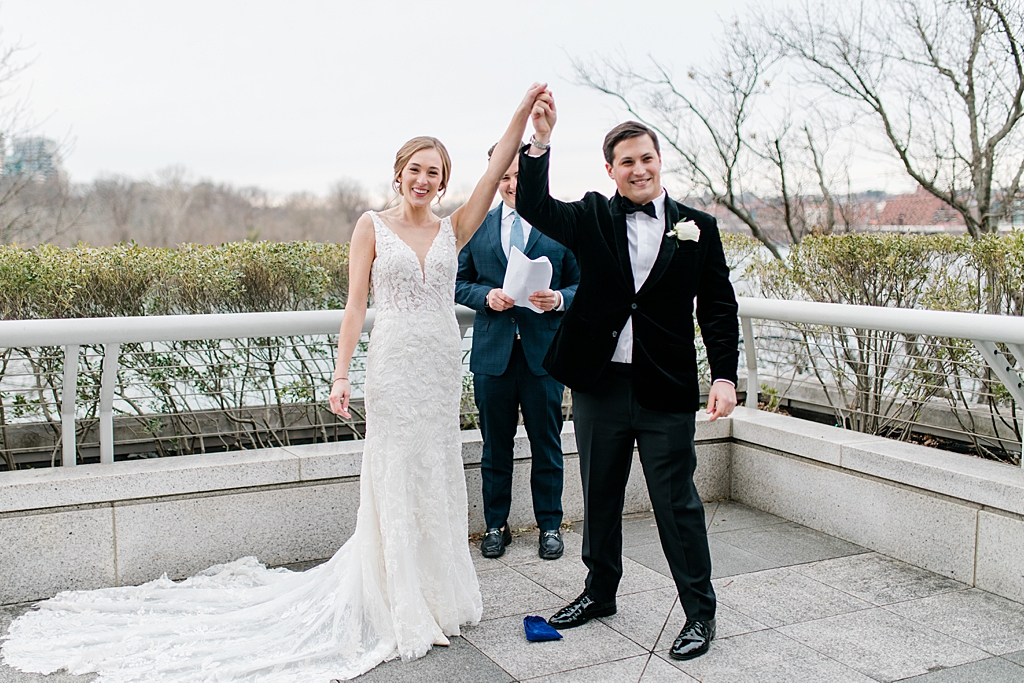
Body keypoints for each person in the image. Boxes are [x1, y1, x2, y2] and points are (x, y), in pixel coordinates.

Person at [1, 83, 550, 683]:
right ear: (398, 174)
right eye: (415, 170)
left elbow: (498, 164)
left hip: (438, 369)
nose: (424, 180)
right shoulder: (371, 226)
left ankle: (437, 596)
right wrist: (341, 375)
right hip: (394, 368)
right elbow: (353, 308)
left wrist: (523, 114)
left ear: (444, 183)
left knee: (437, 474)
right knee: (394, 477)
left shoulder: (454, 229)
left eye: (434, 173)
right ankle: (398, 603)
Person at [515, 96, 739, 661]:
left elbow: (717, 307)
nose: (639, 170)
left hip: (665, 387)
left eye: (647, 159)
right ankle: (599, 592)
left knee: (677, 502)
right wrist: (539, 140)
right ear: (610, 170)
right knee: (600, 493)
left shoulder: (699, 228)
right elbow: (536, 204)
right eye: (627, 163)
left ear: (659, 160)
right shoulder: (592, 216)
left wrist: (725, 376)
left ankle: (699, 613)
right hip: (599, 384)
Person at [455, 146, 579, 560]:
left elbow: (584, 286)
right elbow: (457, 283)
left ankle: (549, 526)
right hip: (493, 355)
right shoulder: (477, 227)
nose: (512, 185)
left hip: (545, 355)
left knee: (547, 445)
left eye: (519, 176)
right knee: (495, 447)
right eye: (504, 177)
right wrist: (485, 296)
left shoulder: (562, 225)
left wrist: (558, 299)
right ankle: (495, 525)